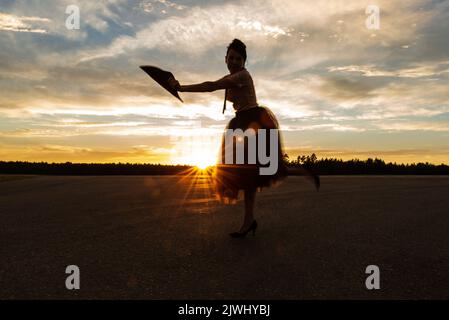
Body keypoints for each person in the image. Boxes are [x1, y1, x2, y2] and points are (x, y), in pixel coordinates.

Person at [168, 39, 288, 238]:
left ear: (244, 61)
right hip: (242, 122)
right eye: (231, 57)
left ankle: (249, 221)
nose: (233, 61)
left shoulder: (241, 75)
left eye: (238, 59)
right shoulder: (234, 75)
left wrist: (181, 88)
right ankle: (249, 221)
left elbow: (210, 86)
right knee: (248, 177)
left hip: (253, 124)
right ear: (225, 59)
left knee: (248, 174)